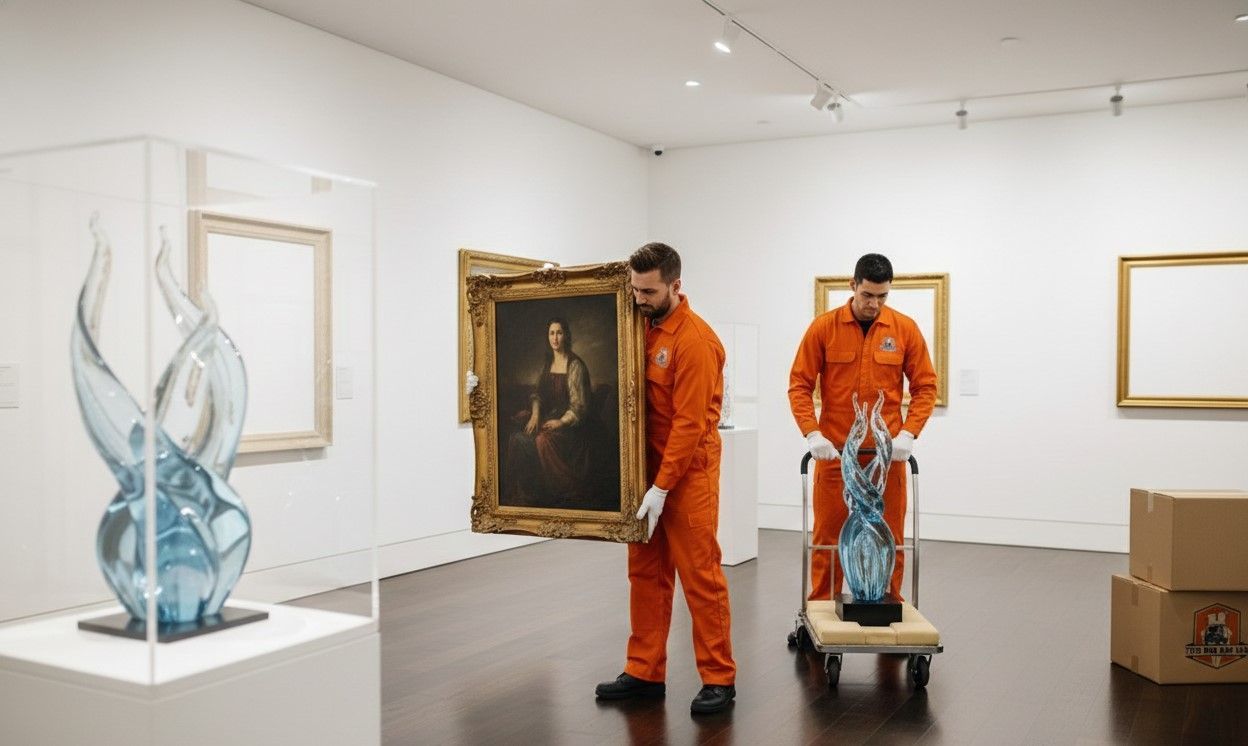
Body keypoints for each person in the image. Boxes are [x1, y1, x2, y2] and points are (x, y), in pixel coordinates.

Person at [595, 242, 737, 715]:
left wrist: (663, 487)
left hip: (688, 476)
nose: (638, 298)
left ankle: (719, 678)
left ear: (676, 285)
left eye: (648, 290)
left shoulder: (695, 342)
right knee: (645, 574)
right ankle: (643, 671)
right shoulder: (639, 321)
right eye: (634, 288)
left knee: (701, 576)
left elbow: (689, 425)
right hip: (645, 474)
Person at [788, 253, 937, 604]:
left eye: (882, 296)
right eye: (867, 295)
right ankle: (821, 610)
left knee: (891, 536)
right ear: (853, 286)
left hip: (888, 459)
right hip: (836, 456)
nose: (874, 304)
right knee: (827, 538)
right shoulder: (823, 328)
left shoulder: (904, 329)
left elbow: (925, 387)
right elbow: (799, 384)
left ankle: (891, 607)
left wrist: (908, 434)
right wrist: (812, 433)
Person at [503, 317, 598, 508]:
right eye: (551, 333)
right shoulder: (548, 363)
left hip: (572, 426)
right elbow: (538, 393)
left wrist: (560, 422)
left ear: (567, 336)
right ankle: (525, 492)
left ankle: (562, 491)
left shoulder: (575, 365)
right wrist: (536, 414)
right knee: (517, 438)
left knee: (542, 440)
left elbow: (579, 407)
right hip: (548, 417)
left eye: (559, 333)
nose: (555, 338)